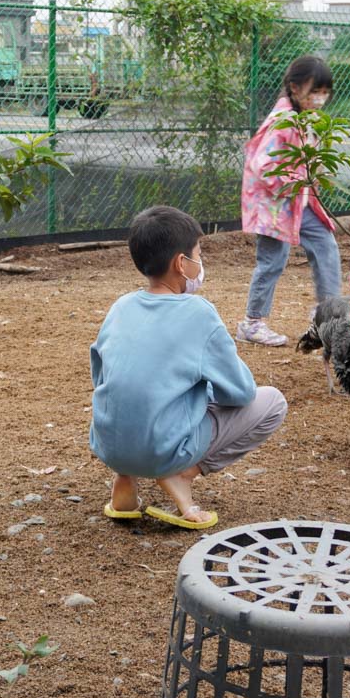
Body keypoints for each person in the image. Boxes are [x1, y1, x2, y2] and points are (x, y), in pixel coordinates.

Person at [89, 205, 288, 529]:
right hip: (163, 448)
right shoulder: (199, 313)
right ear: (181, 264)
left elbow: (103, 377)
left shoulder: (120, 307)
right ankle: (182, 474)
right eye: (198, 253)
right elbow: (240, 392)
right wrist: (202, 390)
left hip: (108, 444)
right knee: (273, 402)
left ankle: (124, 481)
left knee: (139, 395)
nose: (200, 261)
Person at [236, 55, 342, 347]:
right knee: (273, 260)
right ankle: (252, 323)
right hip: (273, 206)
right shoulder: (282, 121)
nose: (320, 99)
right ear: (295, 89)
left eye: (324, 93)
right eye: (314, 92)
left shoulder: (309, 119)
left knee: (325, 243)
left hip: (299, 202)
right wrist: (297, 180)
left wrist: (313, 174)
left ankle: (328, 313)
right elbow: (263, 164)